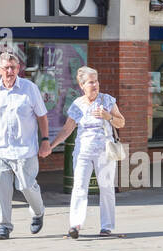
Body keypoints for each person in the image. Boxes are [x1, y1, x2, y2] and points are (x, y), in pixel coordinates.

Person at [45, 66, 126, 238]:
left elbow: (121, 123)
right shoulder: (77, 105)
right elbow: (67, 130)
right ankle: (75, 224)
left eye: (96, 81)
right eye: (90, 82)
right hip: (82, 152)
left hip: (105, 151)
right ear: (82, 85)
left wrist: (108, 117)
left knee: (106, 188)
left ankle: (106, 226)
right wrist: (51, 146)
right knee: (79, 187)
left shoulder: (107, 101)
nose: (95, 85)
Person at [0, 50, 47, 240]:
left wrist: (45, 141)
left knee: (26, 186)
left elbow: (42, 116)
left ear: (19, 69)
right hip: (1, 149)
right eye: (6, 67)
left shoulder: (30, 88)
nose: (10, 71)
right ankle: (3, 226)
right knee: (1, 189)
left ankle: (38, 211)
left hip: (25, 150)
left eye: (14, 67)